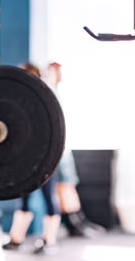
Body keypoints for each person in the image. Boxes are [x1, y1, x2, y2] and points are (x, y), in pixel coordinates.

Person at [1, 62, 62, 255]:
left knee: (48, 198)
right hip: (26, 160)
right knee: (25, 200)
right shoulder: (20, 100)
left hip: (47, 158)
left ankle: (49, 240)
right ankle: (16, 238)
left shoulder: (47, 97)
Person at [45, 62, 105, 238]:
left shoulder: (55, 92)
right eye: (58, 71)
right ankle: (73, 223)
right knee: (63, 185)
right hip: (56, 149)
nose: (61, 75)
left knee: (68, 184)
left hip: (62, 147)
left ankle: (77, 221)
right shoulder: (48, 91)